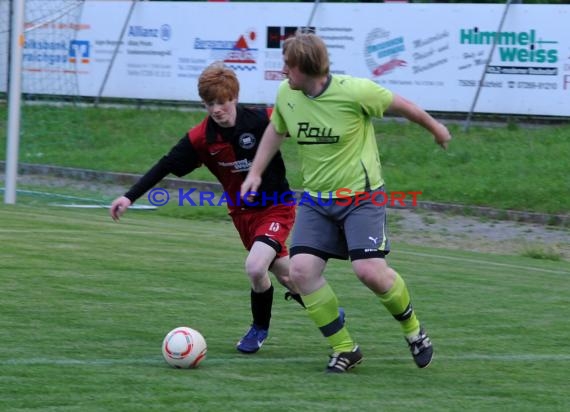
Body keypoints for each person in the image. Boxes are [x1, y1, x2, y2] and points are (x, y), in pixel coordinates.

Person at [241, 32, 452, 373]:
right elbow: (276, 131)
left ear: (307, 68)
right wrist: (255, 172)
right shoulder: (286, 95)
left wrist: (435, 128)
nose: (283, 72)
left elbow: (403, 106)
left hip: (361, 198)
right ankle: (345, 348)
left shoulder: (355, 91)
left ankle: (414, 332)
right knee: (300, 271)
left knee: (369, 271)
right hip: (315, 201)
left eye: (288, 66)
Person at [110, 62, 306, 354]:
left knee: (255, 267)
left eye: (223, 102)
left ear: (235, 98)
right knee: (289, 275)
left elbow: (305, 126)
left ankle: (258, 328)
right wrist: (129, 197)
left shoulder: (262, 120)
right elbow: (165, 164)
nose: (217, 109)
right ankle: (325, 308)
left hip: (276, 206)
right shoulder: (202, 138)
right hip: (242, 216)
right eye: (210, 103)